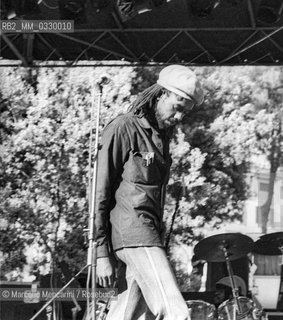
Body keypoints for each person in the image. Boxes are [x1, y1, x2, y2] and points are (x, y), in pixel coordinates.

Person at [94, 64, 204, 320]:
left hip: (149, 234)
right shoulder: (123, 127)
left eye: (185, 113)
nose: (179, 118)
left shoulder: (160, 140)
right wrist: (100, 252)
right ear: (160, 94)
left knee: (125, 314)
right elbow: (100, 192)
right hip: (133, 234)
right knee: (177, 313)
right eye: (177, 108)